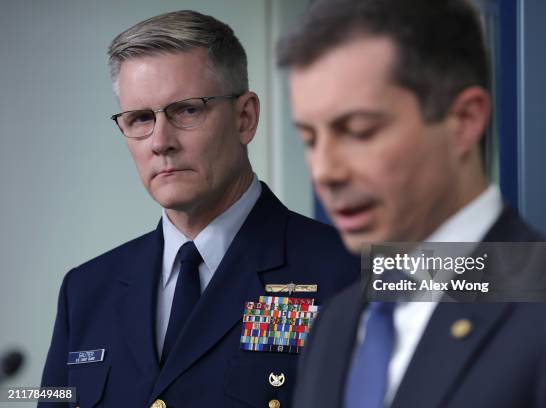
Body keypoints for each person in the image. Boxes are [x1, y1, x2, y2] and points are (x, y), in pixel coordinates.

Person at [277, 0, 546, 407]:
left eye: (359, 131)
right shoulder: (336, 321)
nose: (325, 171)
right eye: (310, 140)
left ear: (465, 120)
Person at [39, 10, 358, 408]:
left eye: (187, 110)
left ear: (245, 118)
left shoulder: (352, 270)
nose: (160, 141)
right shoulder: (85, 291)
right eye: (140, 118)